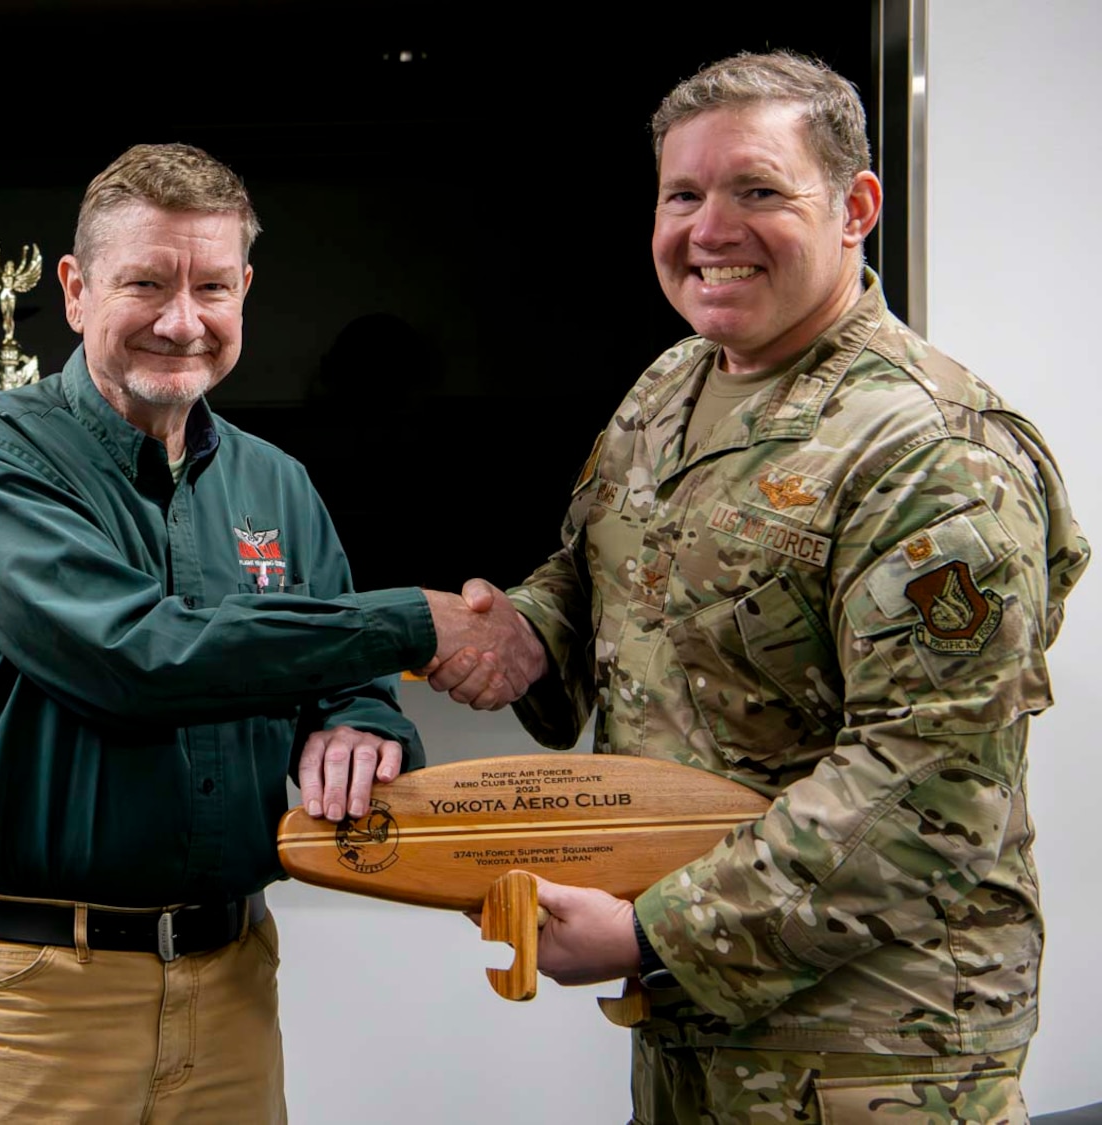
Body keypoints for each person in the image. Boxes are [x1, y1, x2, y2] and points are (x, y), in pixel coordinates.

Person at [425, 52, 1088, 1123]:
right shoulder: (670, 385)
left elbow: (927, 784)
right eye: (680, 194)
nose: (708, 229)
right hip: (694, 1029)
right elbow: (598, 571)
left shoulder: (926, 452)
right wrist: (529, 634)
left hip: (874, 1044)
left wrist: (653, 934)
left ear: (854, 207)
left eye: (757, 190)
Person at [0, 143, 525, 1122]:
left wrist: (358, 724)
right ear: (73, 290)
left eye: (210, 286)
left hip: (233, 978)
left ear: (244, 290)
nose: (180, 320)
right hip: (39, 993)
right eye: (144, 283)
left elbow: (340, 679)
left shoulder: (274, 480)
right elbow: (132, 657)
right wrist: (411, 621)